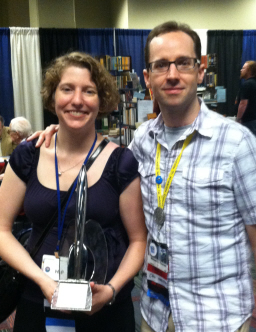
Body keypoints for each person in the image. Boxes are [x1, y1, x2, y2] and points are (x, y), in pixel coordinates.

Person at [34, 22, 256, 332]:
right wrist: (62, 132)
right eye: (161, 65)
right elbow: (98, 156)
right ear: (149, 77)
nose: (173, 74)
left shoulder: (237, 144)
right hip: (154, 315)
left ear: (200, 71)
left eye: (183, 63)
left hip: (219, 317)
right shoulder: (141, 141)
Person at [0, 51, 147, 332]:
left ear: (101, 100)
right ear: (53, 96)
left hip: (105, 305)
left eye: (88, 91)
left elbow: (139, 240)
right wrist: (42, 280)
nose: (77, 100)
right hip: (38, 299)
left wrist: (113, 290)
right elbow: (1, 230)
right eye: (67, 89)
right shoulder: (28, 155)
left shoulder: (122, 162)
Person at [0, 116, 32, 181]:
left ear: (16, 134)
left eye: (10, 131)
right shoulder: (32, 143)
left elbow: (21, 172)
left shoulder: (23, 149)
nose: (9, 134)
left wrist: (4, 176)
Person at [235, 61, 256, 134]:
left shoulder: (247, 85)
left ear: (249, 71)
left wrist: (238, 119)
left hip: (248, 122)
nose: (241, 70)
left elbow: (243, 103)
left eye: (243, 68)